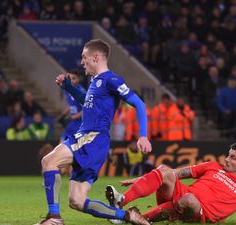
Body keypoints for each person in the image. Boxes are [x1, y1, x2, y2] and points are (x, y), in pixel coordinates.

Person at [35, 39, 152, 225]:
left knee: (49, 161)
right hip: (93, 141)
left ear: (96, 57)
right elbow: (86, 102)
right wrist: (69, 88)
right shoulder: (95, 81)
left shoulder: (111, 79)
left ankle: (54, 218)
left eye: (84, 57)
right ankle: (129, 216)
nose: (82, 62)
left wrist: (143, 135)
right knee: (77, 201)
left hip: (92, 137)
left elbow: (138, 103)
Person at [105, 141, 236, 224]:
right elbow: (175, 173)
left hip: (200, 211)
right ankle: (123, 206)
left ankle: (135, 218)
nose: (227, 159)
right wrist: (144, 178)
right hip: (182, 198)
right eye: (228, 154)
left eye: (233, 158)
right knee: (164, 170)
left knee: (188, 199)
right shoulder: (213, 166)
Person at [60, 71, 85, 141]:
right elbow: (71, 103)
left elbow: (86, 109)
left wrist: (74, 117)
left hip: (81, 123)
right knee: (61, 141)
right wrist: (63, 115)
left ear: (78, 79)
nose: (72, 81)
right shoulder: (68, 90)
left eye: (74, 78)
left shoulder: (81, 92)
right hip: (73, 122)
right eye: (70, 79)